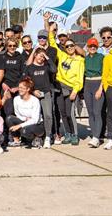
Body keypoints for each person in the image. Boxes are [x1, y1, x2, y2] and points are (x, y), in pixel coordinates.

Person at [47, 14, 84, 146]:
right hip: (60, 86)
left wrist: (75, 90)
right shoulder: (61, 55)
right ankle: (67, 134)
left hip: (71, 88)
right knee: (62, 113)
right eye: (67, 46)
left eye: (71, 46)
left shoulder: (80, 60)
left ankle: (75, 135)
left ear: (74, 46)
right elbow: (52, 42)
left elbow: (80, 78)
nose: (69, 48)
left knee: (70, 113)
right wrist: (50, 30)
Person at [24, 47, 57, 148]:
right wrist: (33, 91)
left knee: (48, 115)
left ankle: (48, 136)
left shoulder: (46, 66)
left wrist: (47, 57)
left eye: (43, 57)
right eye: (40, 56)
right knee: (35, 117)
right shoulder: (30, 68)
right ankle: (36, 137)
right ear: (35, 55)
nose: (41, 58)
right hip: (34, 94)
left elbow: (54, 69)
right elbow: (26, 82)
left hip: (46, 93)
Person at [7, 77, 45, 148]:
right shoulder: (16, 99)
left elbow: (35, 120)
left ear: (28, 89)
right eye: (19, 87)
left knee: (24, 130)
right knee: (9, 118)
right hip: (25, 121)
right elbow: (17, 114)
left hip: (37, 125)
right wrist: (24, 118)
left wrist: (19, 125)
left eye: (22, 88)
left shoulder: (35, 100)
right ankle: (16, 141)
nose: (20, 89)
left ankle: (37, 138)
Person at [83, 38, 105, 148]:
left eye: (94, 46)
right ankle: (94, 135)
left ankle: (97, 137)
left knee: (97, 112)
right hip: (88, 84)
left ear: (97, 47)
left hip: (98, 83)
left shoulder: (101, 57)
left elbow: (105, 74)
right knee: (90, 112)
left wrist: (100, 88)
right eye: (90, 46)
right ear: (87, 47)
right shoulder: (85, 59)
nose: (92, 48)